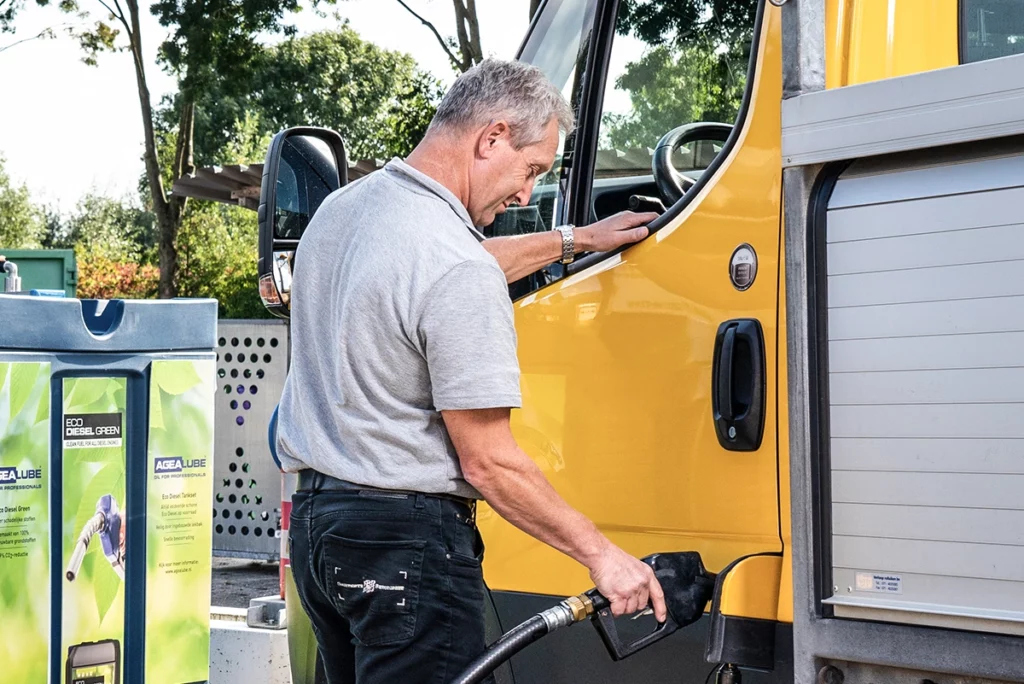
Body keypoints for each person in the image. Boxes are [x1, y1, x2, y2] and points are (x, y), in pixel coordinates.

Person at [278, 58, 666, 684]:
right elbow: (489, 462)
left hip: (321, 535)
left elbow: (448, 265)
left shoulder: (343, 214)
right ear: (492, 138)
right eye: (532, 169)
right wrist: (603, 556)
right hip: (406, 549)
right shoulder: (455, 266)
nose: (525, 195)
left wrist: (577, 241)